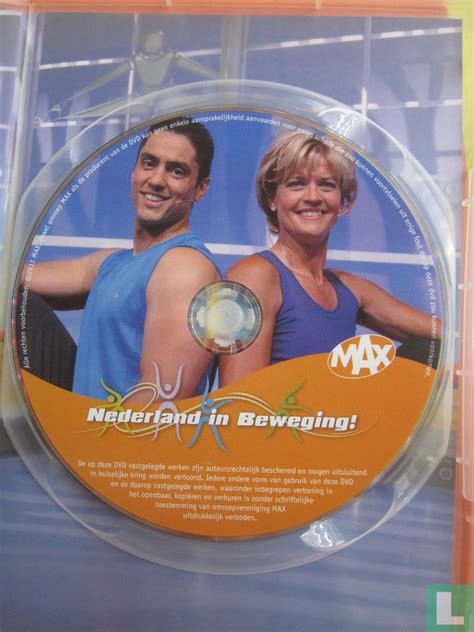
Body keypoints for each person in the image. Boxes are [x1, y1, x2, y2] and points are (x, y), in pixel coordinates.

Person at [21, 116, 220, 401]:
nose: (156, 180)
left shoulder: (184, 268)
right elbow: (18, 279)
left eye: (176, 171)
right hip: (76, 420)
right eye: (149, 163)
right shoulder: (114, 262)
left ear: (200, 188)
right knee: (21, 308)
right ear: (134, 171)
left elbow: (159, 405)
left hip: (111, 429)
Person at [220, 132, 440, 386]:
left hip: (348, 410)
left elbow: (445, 335)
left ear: (343, 202)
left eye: (326, 185)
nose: (313, 197)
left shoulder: (348, 288)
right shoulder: (255, 276)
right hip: (284, 413)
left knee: (429, 351)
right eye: (296, 184)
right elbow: (238, 400)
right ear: (272, 199)